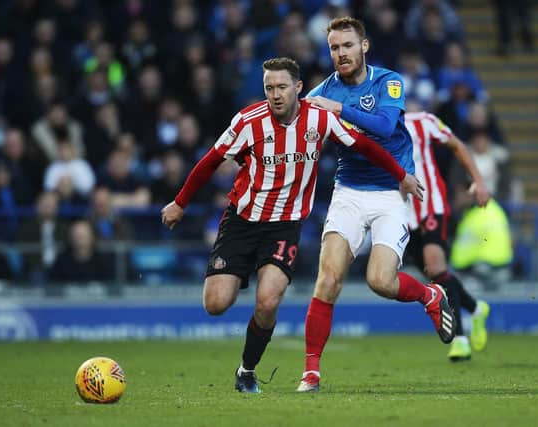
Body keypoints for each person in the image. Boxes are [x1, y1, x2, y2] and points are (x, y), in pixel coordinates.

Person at [161, 57, 423, 394]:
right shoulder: (247, 121)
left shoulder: (320, 119)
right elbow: (210, 161)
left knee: (268, 301)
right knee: (215, 304)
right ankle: (246, 345)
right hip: (242, 222)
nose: (275, 94)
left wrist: (402, 176)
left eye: (282, 87)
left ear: (298, 88)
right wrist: (180, 202)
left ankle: (247, 370)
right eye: (269, 88)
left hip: (284, 226)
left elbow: (364, 146)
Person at [297, 17, 455, 393]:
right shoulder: (323, 90)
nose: (341, 54)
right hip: (348, 191)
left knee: (379, 281)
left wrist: (335, 109)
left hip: (392, 193)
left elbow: (385, 127)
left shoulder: (389, 81)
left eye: (348, 46)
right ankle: (311, 372)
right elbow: (297, 124)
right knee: (328, 278)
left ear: (363, 46)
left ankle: (431, 294)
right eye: (334, 48)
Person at [404, 110, 491, 361]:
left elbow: (456, 144)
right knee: (436, 276)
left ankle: (460, 339)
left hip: (431, 204)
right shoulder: (374, 126)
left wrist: (479, 181)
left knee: (435, 266)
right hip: (401, 212)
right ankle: (476, 308)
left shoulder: (422, 121)